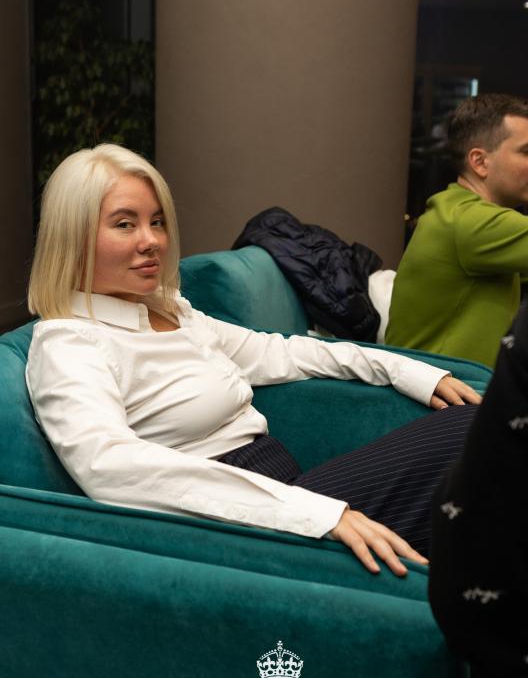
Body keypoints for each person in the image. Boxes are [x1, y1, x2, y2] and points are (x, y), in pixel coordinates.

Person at [26, 144, 481, 578]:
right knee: (472, 432)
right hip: (251, 532)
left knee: (475, 474)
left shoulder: (171, 310)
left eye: (157, 221)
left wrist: (405, 371)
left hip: (291, 495)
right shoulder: (70, 343)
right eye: (125, 224)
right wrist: (317, 513)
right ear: (74, 237)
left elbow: (280, 352)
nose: (152, 241)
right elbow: (110, 468)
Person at [428, 253, 528, 678]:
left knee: (463, 424)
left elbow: (285, 350)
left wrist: (420, 375)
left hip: (510, 642)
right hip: (523, 657)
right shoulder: (468, 225)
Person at [386, 93, 528, 368]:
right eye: (527, 151)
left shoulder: (458, 210)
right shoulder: (470, 223)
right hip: (447, 393)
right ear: (479, 162)